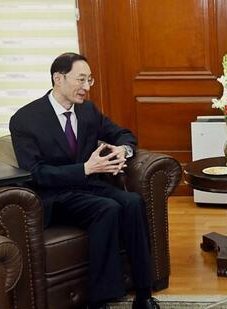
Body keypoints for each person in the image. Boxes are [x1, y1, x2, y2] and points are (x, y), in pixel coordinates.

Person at [9, 52, 160, 309]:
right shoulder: (25, 120)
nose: (87, 87)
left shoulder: (87, 111)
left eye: (90, 80)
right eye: (81, 79)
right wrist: (85, 168)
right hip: (54, 196)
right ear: (59, 78)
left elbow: (123, 133)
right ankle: (99, 300)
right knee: (108, 208)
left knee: (133, 202)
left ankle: (144, 293)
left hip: (89, 187)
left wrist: (123, 150)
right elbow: (35, 172)